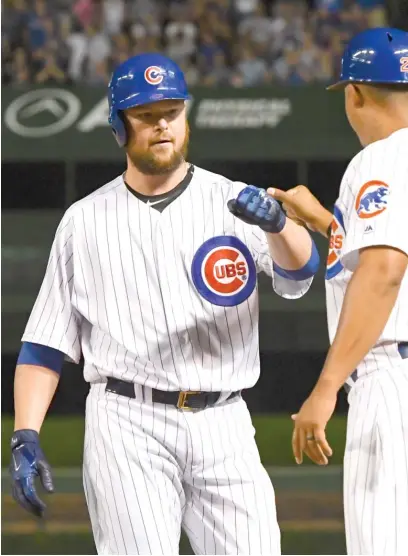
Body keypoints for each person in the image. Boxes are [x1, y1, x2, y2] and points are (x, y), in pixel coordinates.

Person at [9, 53, 320, 555]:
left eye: (172, 112)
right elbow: (44, 346)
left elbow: (301, 273)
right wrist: (24, 434)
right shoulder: (84, 221)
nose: (162, 125)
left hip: (225, 422)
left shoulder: (233, 199)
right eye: (146, 115)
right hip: (128, 423)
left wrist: (281, 226)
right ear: (118, 125)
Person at [270, 27, 408, 555]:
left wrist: (326, 387)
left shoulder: (377, 160)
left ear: (354, 92)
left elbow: (385, 270)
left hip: (391, 379)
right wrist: (332, 225)